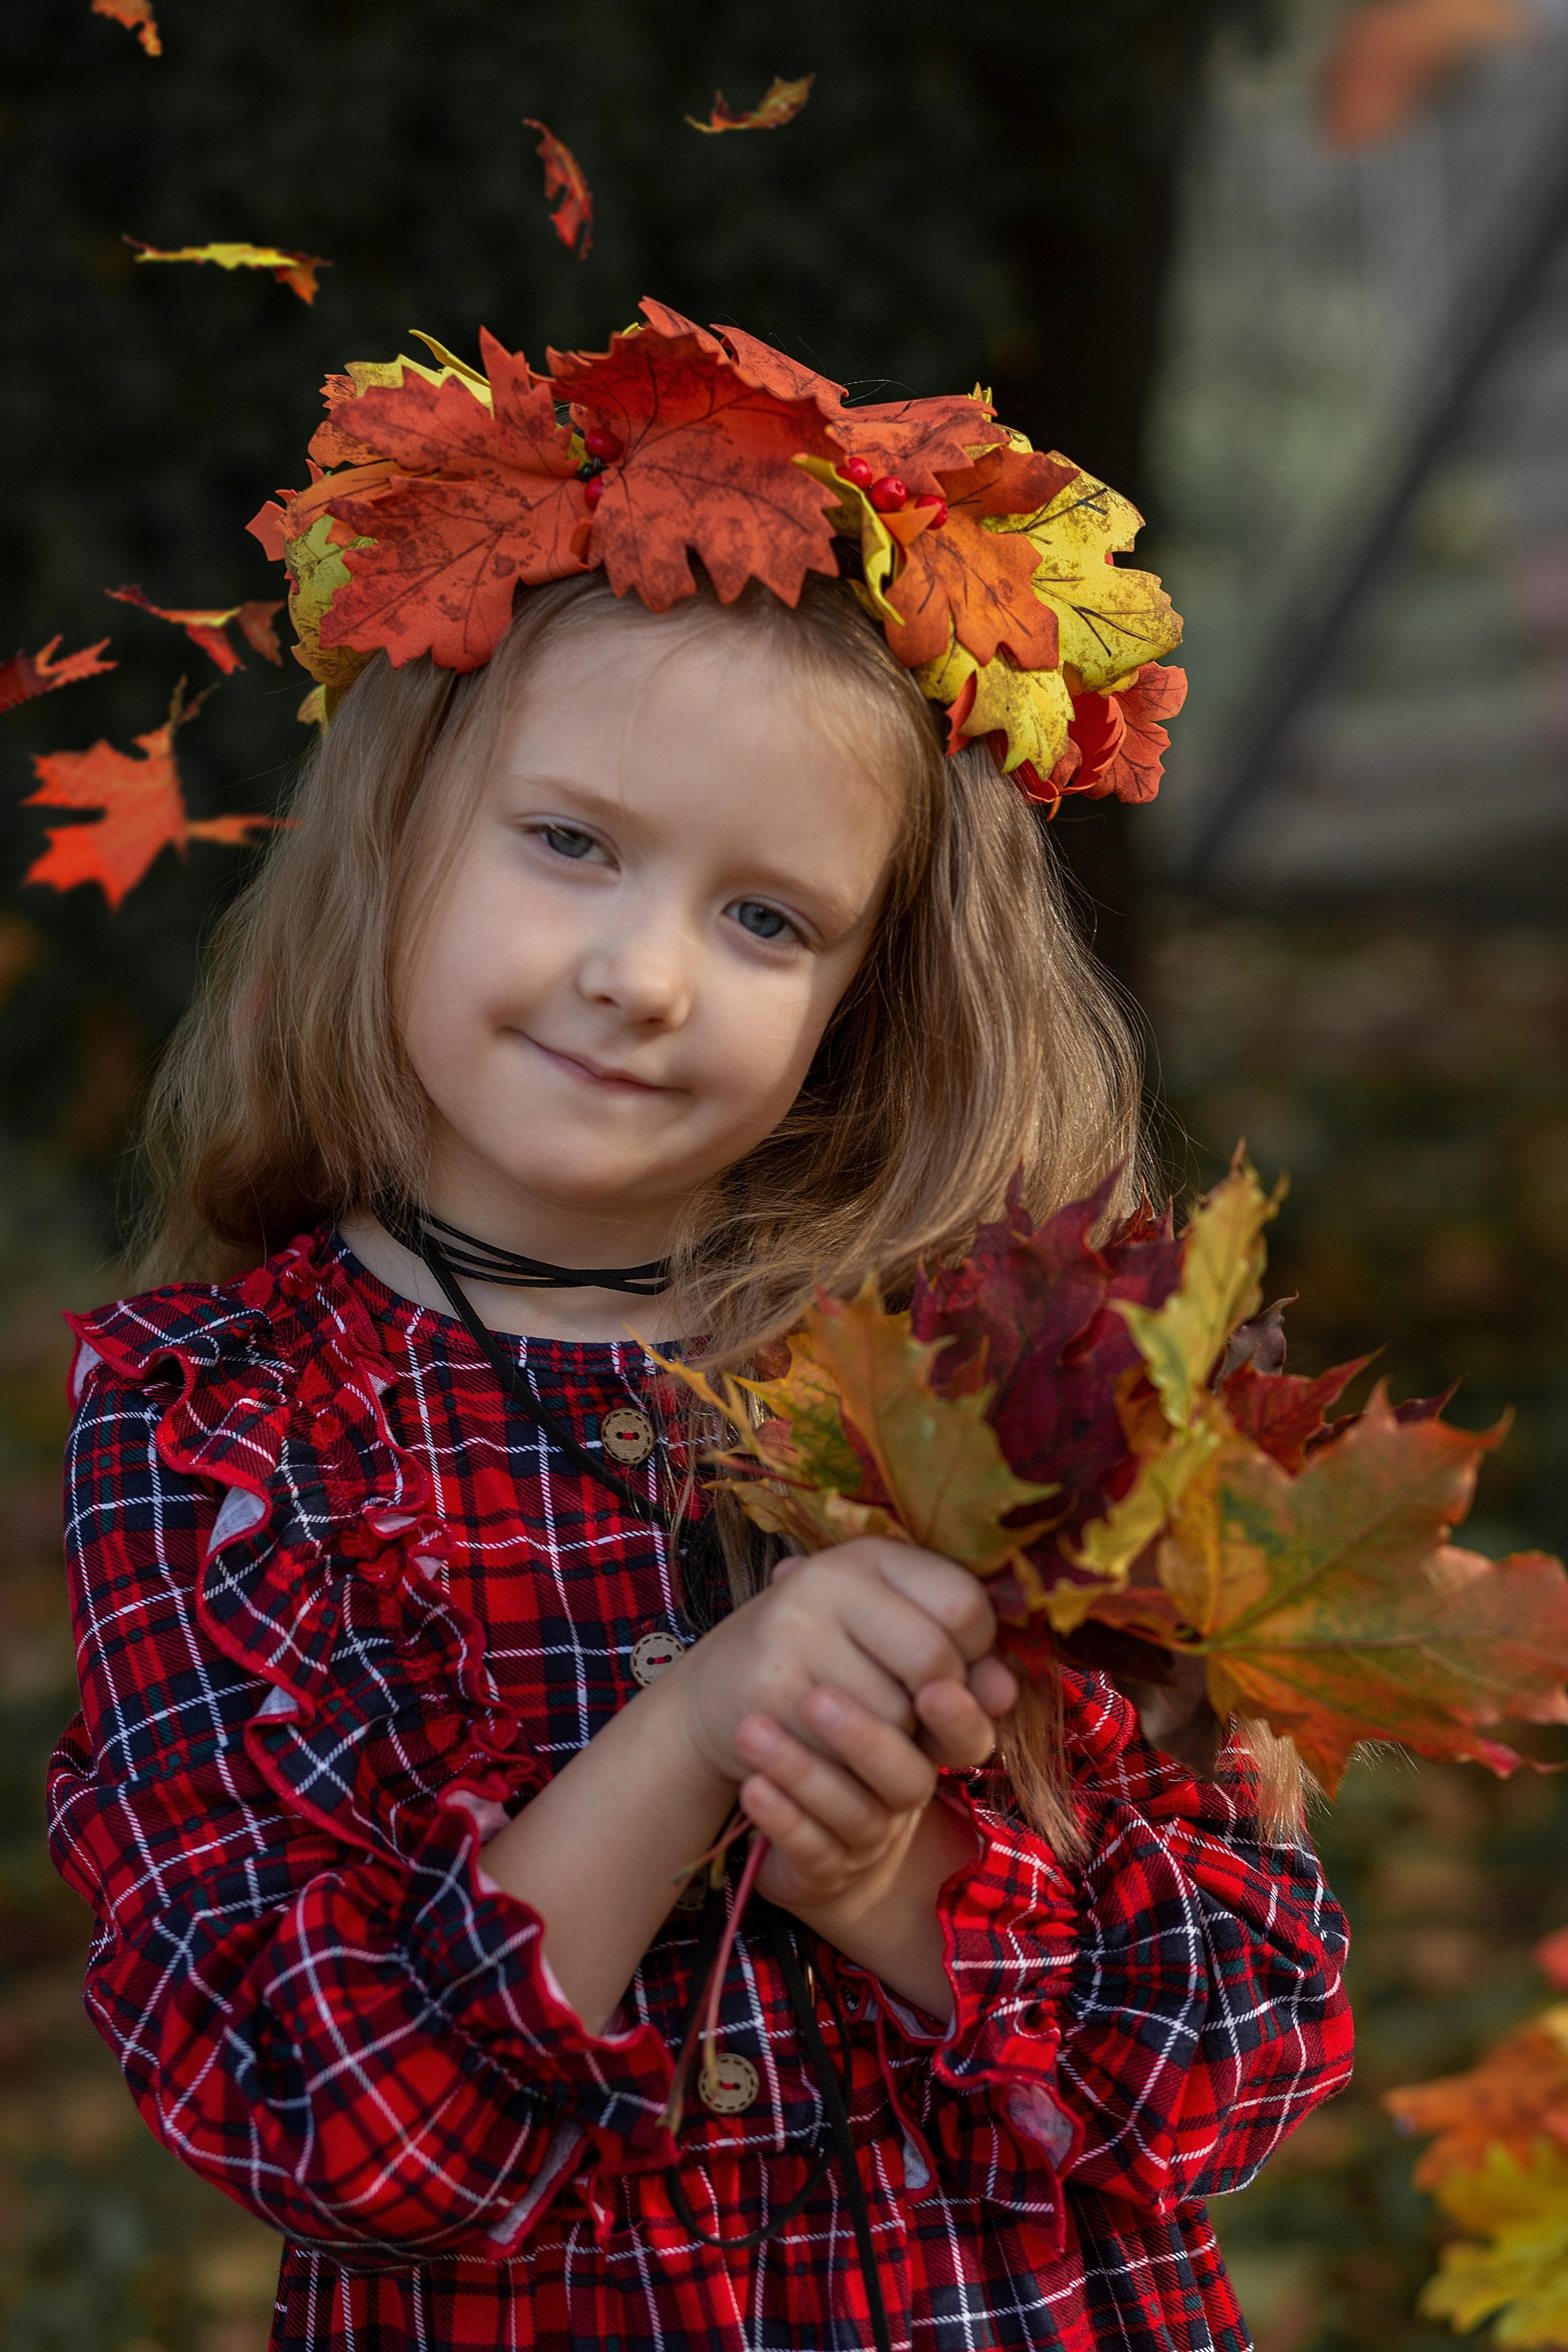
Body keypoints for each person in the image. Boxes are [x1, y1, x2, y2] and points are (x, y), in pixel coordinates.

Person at [48, 302, 1352, 2352]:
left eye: (767, 919)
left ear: (866, 997)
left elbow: (1242, 2065)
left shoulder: (1002, 1397)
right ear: (392, 844)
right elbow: (342, 2133)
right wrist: (692, 1732)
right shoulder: (226, 1435)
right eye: (571, 845)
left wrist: (893, 1884)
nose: (643, 977)